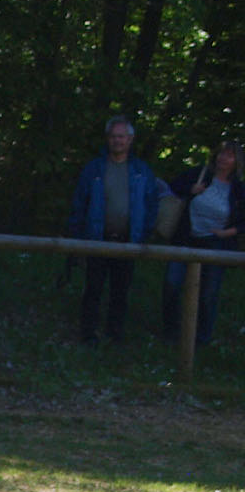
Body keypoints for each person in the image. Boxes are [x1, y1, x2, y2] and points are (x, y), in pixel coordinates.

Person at [67, 115, 164, 344]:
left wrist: (144, 233)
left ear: (130, 139)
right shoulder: (94, 169)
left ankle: (114, 336)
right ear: (107, 139)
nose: (117, 141)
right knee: (93, 290)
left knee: (120, 292)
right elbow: (80, 203)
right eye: (113, 136)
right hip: (97, 239)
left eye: (121, 136)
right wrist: (77, 236)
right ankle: (88, 335)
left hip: (128, 241)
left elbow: (152, 204)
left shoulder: (141, 171)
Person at [161, 139, 243, 346]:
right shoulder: (199, 174)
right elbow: (170, 189)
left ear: (236, 161)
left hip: (215, 244)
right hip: (186, 238)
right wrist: (191, 189)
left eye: (229, 155)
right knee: (172, 283)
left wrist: (227, 233)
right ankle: (171, 332)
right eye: (221, 153)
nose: (224, 158)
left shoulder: (238, 189)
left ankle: (201, 339)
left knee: (208, 293)